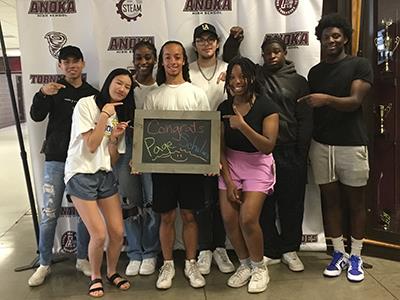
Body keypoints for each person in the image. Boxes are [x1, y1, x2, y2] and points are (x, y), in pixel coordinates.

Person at [299, 13, 373, 282]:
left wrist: (326, 99)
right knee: (329, 203)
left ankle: (356, 256)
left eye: (336, 36)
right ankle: (339, 254)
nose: (331, 40)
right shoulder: (315, 72)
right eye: (326, 36)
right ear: (320, 39)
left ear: (345, 38)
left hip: (352, 145)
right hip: (321, 146)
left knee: (355, 204)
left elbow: (354, 101)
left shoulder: (360, 65)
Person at [28, 45, 97, 287]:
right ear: (60, 66)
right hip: (56, 160)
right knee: (48, 215)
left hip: (82, 163)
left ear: (83, 63)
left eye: (75, 60)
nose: (71, 65)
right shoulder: (53, 90)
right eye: (65, 62)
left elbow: (104, 126)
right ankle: (44, 263)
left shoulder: (93, 93)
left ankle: (82, 258)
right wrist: (41, 93)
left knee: (86, 216)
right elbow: (36, 116)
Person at [144, 40, 210, 290]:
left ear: (184, 60)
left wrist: (208, 161)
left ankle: (191, 262)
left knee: (189, 215)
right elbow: (147, 135)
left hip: (191, 168)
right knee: (167, 216)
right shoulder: (153, 96)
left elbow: (206, 131)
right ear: (162, 61)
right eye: (168, 57)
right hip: (163, 169)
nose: (173, 62)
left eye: (178, 57)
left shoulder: (197, 93)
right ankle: (168, 263)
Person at [64, 68, 134, 297]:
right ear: (108, 82)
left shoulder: (118, 116)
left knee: (117, 230)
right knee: (99, 234)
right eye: (119, 83)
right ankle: (95, 275)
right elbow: (91, 145)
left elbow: (111, 159)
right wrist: (104, 115)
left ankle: (112, 271)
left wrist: (114, 139)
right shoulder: (86, 104)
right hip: (80, 173)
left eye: (127, 87)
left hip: (104, 175)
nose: (122, 89)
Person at [218, 56, 279, 293]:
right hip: (230, 163)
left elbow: (267, 146)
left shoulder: (267, 106)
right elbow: (219, 148)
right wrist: (229, 180)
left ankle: (259, 266)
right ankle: (244, 264)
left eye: (241, 76)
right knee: (229, 218)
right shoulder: (223, 108)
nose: (236, 81)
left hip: (258, 164)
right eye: (232, 77)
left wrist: (243, 125)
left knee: (248, 218)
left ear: (251, 78)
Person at [189, 22, 235, 275]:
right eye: (201, 40)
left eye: (210, 39)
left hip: (226, 140)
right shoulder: (186, 70)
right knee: (201, 198)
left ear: (218, 43)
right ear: (195, 45)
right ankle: (205, 248)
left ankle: (220, 247)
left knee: (221, 198)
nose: (206, 44)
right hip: (195, 141)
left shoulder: (230, 70)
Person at [114, 41, 160, 278]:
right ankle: (134, 252)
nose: (143, 62)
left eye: (148, 57)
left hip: (155, 149)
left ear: (155, 59)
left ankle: (151, 252)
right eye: (138, 58)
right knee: (130, 204)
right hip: (127, 149)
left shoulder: (162, 86)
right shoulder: (126, 87)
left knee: (152, 203)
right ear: (132, 60)